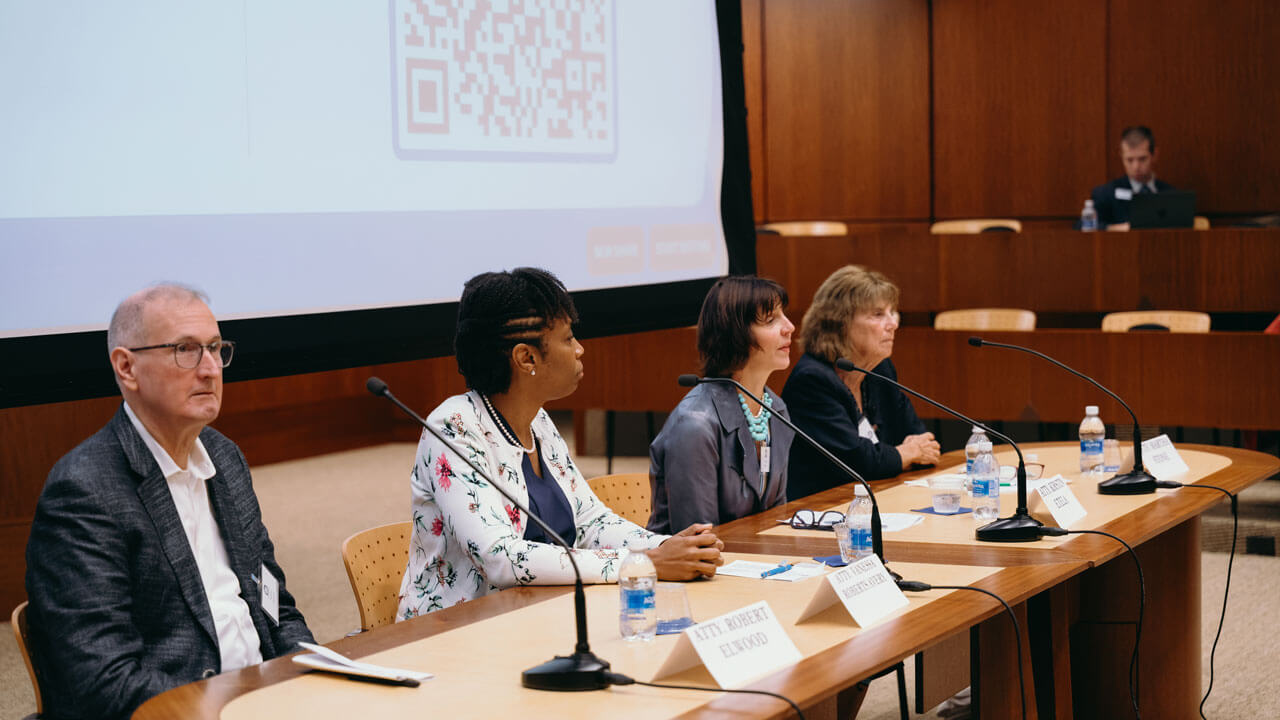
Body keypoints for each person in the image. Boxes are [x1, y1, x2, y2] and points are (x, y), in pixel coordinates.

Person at [24, 284, 313, 720]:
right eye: (186, 349)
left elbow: (275, 604)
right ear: (127, 368)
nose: (211, 369)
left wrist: (314, 677)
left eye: (216, 349)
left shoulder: (224, 457)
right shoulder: (84, 491)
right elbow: (105, 683)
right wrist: (231, 707)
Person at [397, 267, 723, 619]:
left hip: (535, 614)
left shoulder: (537, 419)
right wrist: (643, 562)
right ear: (526, 357)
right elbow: (500, 558)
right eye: (568, 339)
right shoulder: (454, 427)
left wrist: (671, 548)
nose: (580, 349)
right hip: (453, 632)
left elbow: (589, 522)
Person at [647, 276, 797, 534]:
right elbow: (698, 538)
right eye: (771, 320)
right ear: (736, 334)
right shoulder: (696, 423)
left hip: (756, 562)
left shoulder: (776, 410)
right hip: (695, 568)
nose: (790, 327)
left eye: (784, 316)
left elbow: (775, 517)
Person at [782, 265, 940, 499]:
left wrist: (905, 453)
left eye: (891, 312)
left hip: (876, 500)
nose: (893, 323)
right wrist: (905, 454)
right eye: (878, 314)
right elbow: (856, 461)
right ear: (840, 322)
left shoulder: (879, 370)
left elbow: (922, 440)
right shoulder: (812, 380)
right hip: (822, 511)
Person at [1090, 125, 1175, 230]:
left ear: (1154, 155)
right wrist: (1114, 228)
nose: (1136, 167)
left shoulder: (1170, 194)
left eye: (1142, 159)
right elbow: (1083, 226)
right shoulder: (1106, 193)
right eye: (1130, 160)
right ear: (1121, 157)